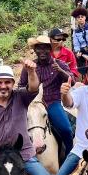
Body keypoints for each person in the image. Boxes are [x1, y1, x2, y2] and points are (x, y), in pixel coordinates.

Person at [22, 34, 75, 162]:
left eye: (45, 48)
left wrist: (60, 71)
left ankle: (69, 160)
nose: (42, 51)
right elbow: (21, 85)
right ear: (34, 50)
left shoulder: (59, 64)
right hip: (33, 104)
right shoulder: (30, 66)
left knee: (66, 130)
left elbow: (72, 81)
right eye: (39, 48)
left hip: (52, 102)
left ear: (50, 49)